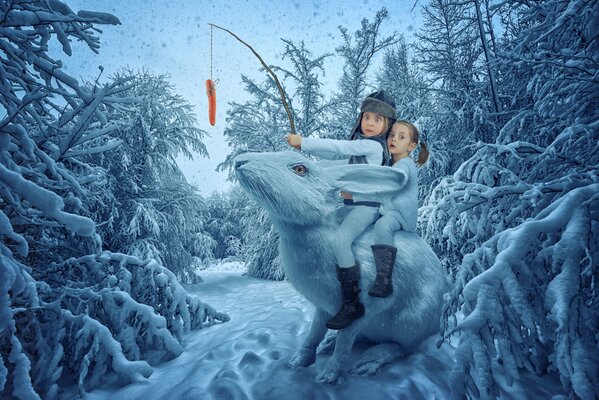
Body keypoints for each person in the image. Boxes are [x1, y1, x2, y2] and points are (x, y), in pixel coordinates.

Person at [286, 90, 396, 330]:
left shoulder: (373, 147)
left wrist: (303, 142)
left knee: (340, 242)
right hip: (353, 206)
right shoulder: (362, 147)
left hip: (367, 207)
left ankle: (351, 303)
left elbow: (339, 148)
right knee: (323, 224)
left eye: (378, 120)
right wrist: (307, 166)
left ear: (386, 125)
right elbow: (335, 161)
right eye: (367, 117)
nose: (370, 123)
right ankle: (331, 282)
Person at [346, 120, 429, 298]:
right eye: (391, 135)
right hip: (390, 210)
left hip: (400, 215)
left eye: (401, 137)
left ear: (411, 146)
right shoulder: (392, 164)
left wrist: (354, 197)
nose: (394, 139)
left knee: (382, 226)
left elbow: (384, 191)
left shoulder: (404, 166)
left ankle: (384, 278)